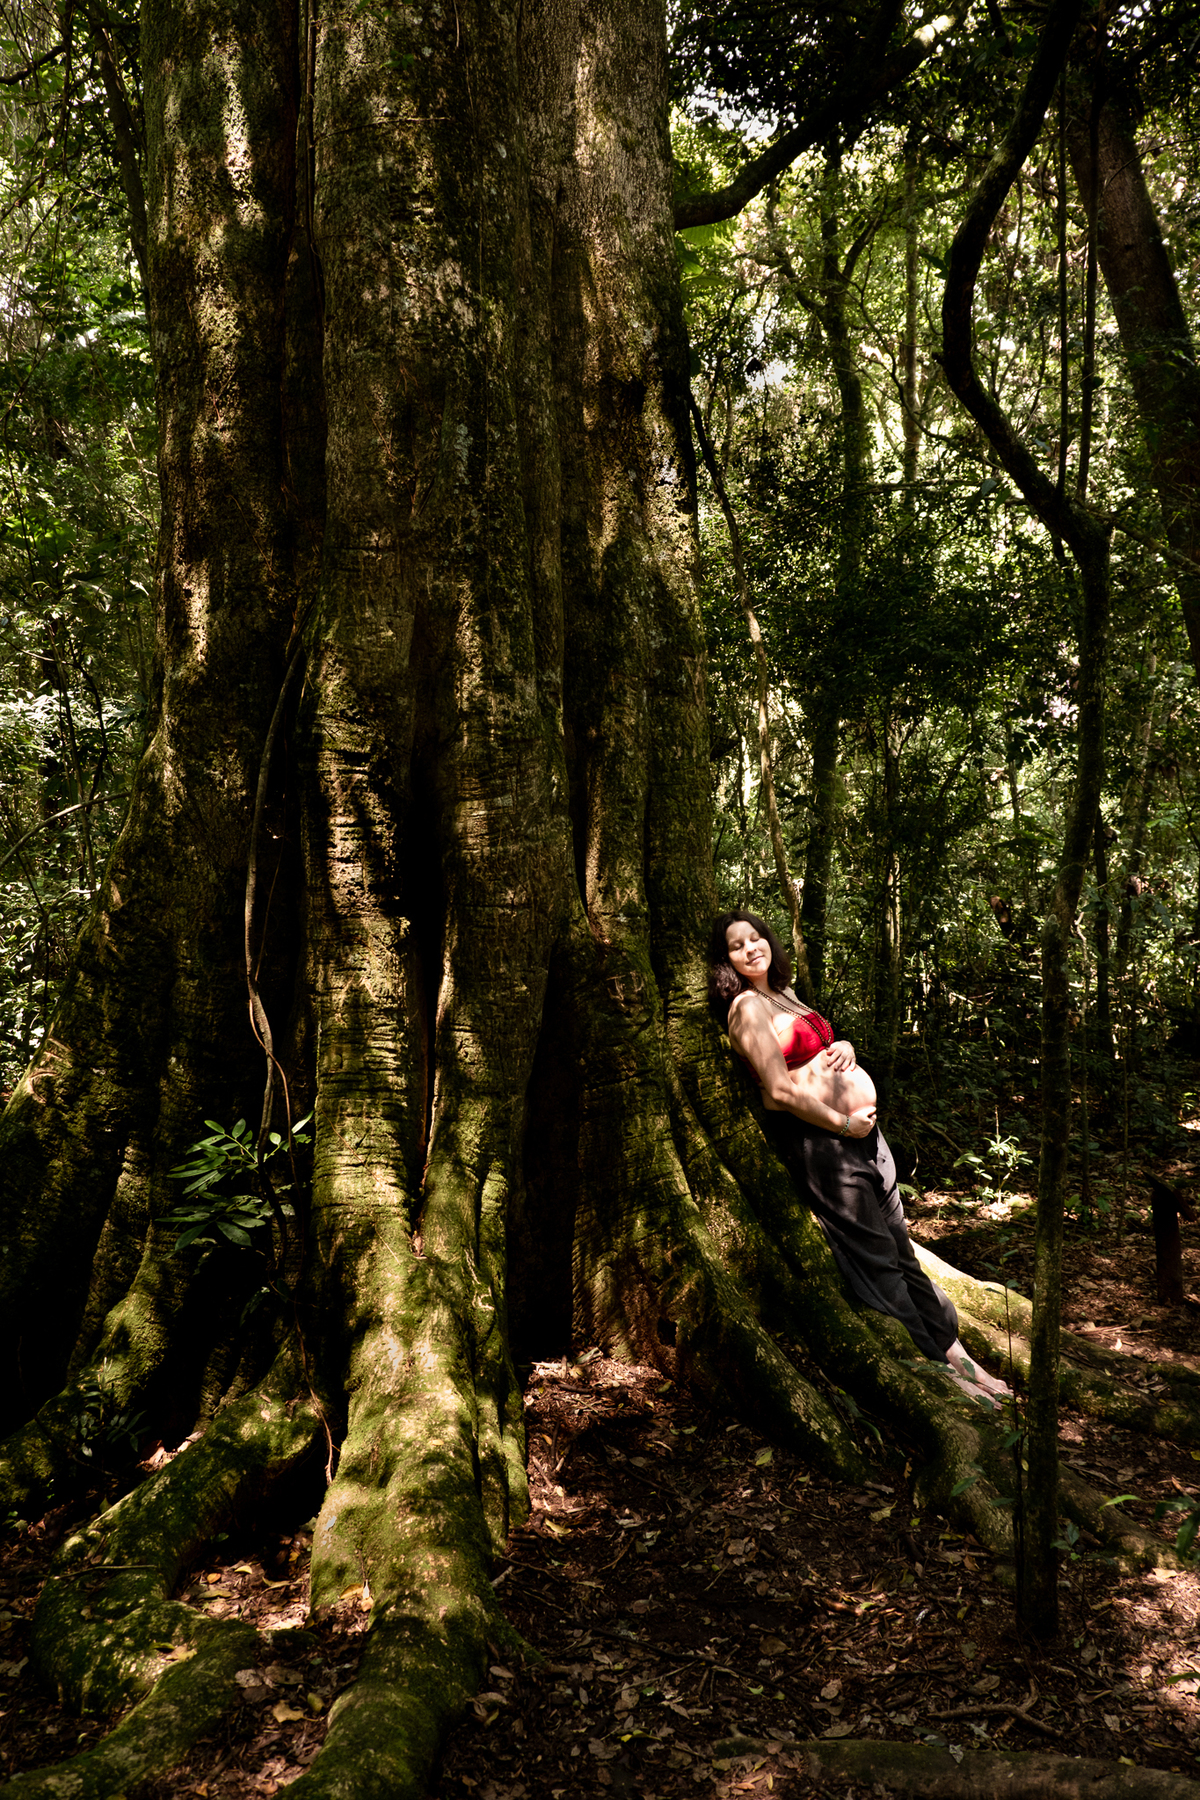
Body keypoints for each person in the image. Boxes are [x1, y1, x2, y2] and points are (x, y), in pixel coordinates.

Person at [709, 909, 1009, 1400]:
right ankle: (943, 1378)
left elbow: (816, 1046)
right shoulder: (746, 1007)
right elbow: (777, 1093)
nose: (750, 948)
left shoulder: (782, 992)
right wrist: (843, 1124)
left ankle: (963, 1361)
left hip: (865, 1139)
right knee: (879, 1262)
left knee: (903, 1253)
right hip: (826, 1146)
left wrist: (843, 1043)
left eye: (756, 937)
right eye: (736, 945)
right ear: (727, 961)